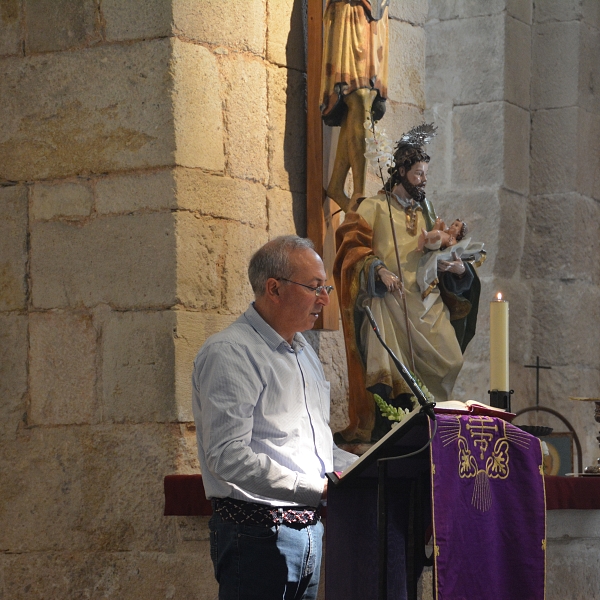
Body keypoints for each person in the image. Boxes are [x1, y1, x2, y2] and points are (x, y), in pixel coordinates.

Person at [192, 235, 357, 600]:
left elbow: (318, 445)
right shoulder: (231, 352)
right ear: (274, 288)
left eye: (325, 287)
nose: (325, 299)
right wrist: (315, 489)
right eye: (315, 287)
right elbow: (227, 457)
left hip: (309, 532)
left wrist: (363, 467)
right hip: (255, 536)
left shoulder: (303, 353)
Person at [333, 124, 481, 443]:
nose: (423, 180)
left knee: (451, 358)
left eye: (425, 173)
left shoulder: (427, 212)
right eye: (417, 173)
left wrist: (457, 268)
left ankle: (434, 423)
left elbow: (441, 251)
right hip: (391, 299)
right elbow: (351, 248)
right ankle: (404, 429)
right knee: (397, 377)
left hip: (426, 299)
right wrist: (378, 270)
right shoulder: (372, 207)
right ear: (400, 171)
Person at [320, 0, 389, 212]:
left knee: (364, 98)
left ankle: (338, 186)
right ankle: (359, 195)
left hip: (373, 14)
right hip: (348, 12)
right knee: (357, 95)